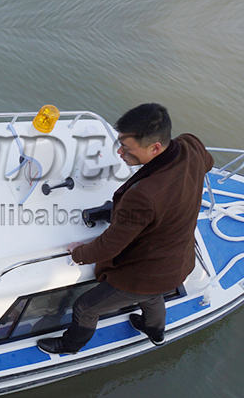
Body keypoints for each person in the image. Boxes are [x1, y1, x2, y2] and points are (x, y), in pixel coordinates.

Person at [37, 103, 213, 355]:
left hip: (146, 274)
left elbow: (110, 245)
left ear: (155, 148)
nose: (119, 152)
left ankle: (70, 345)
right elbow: (207, 163)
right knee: (152, 296)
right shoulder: (191, 146)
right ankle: (155, 331)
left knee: (86, 307)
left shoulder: (144, 196)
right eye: (120, 144)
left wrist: (79, 253)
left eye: (127, 149)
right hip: (179, 262)